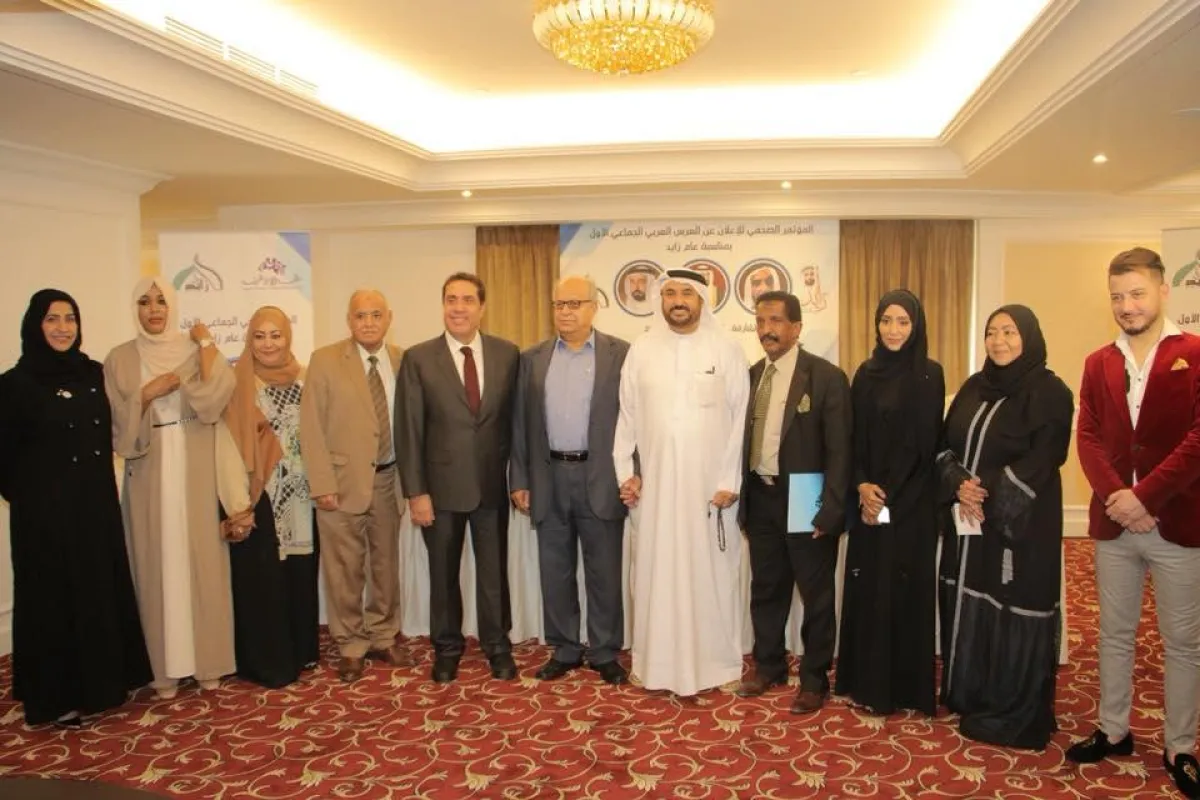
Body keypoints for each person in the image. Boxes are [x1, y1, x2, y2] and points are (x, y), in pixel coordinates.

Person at [1068, 247, 1200, 798]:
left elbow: (1198, 438)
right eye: (1117, 296)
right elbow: (1088, 436)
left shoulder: (1195, 353)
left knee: (1183, 642)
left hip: (1179, 523)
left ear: (1164, 292)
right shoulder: (1098, 361)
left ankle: (1181, 746)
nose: (1127, 305)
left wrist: (1144, 497)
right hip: (1115, 525)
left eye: (1137, 293)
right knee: (1115, 634)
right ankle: (1114, 729)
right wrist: (1117, 497)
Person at [0, 289, 151, 727]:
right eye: (52, 319)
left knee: (96, 593)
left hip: (95, 506)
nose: (63, 328)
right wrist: (34, 499)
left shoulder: (92, 373)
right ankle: (55, 698)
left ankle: (104, 685)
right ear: (35, 325)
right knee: (53, 603)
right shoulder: (15, 384)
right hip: (45, 518)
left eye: (70, 318)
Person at [937, 304, 1073, 750]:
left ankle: (1013, 708)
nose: (999, 341)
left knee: (1011, 604)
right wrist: (958, 483)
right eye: (992, 332)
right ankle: (970, 692)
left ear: (1028, 337)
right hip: (969, 520)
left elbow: (1045, 457)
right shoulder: (975, 387)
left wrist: (987, 494)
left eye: (1010, 332)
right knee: (971, 595)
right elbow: (944, 444)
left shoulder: (1050, 392)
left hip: (1021, 525)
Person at [613, 268, 749, 697]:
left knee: (713, 576)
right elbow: (626, 419)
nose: (677, 300)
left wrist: (729, 480)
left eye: (686, 293)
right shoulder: (642, 350)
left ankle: (721, 665)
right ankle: (652, 663)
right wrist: (626, 475)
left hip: (711, 493)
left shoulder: (726, 350)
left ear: (702, 300)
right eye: (669, 292)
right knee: (654, 574)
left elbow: (740, 422)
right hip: (655, 492)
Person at [103, 278, 237, 700]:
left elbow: (217, 395)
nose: (154, 309)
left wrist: (206, 342)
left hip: (194, 459)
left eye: (161, 301)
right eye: (144, 301)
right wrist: (145, 394)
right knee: (154, 561)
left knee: (201, 559)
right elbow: (113, 424)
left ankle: (208, 662)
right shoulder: (119, 358)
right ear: (135, 309)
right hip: (148, 466)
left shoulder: (193, 349)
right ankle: (163, 670)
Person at [395, 272, 520, 683]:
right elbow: (408, 430)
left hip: (491, 488)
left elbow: (516, 424)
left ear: (482, 307)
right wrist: (416, 492)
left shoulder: (507, 354)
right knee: (443, 576)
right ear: (443, 305)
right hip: (440, 490)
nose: (459, 307)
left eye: (467, 300)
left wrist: (520, 479)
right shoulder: (418, 358)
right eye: (451, 299)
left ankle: (497, 646)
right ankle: (447, 649)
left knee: (493, 575)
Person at [735, 290, 851, 713]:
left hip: (806, 498)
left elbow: (840, 450)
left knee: (816, 595)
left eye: (776, 321)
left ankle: (815, 679)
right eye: (761, 321)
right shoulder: (751, 376)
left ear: (796, 327)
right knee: (766, 588)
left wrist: (831, 509)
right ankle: (768, 665)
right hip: (761, 496)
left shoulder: (825, 377)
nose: (767, 329)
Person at [511, 275, 630, 685]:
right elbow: (520, 424)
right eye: (559, 304)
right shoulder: (532, 358)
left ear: (594, 307)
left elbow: (636, 420)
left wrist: (633, 473)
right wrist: (520, 479)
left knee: (604, 572)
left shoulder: (621, 355)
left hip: (601, 477)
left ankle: (605, 650)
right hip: (549, 478)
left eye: (575, 303)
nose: (565, 312)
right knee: (555, 570)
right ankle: (564, 648)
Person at [835, 290, 944, 716]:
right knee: (870, 590)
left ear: (916, 326)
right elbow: (854, 436)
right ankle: (866, 684)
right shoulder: (865, 373)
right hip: (870, 501)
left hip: (910, 505)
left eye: (902, 322)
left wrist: (883, 499)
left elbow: (922, 445)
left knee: (901, 593)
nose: (893, 330)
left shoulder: (929, 374)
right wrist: (862, 486)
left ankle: (903, 690)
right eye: (886, 321)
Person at [299, 289, 410, 683]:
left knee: (385, 566)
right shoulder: (325, 360)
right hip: (341, 483)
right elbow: (310, 426)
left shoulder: (402, 360)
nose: (368, 322)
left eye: (376, 314)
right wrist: (322, 483)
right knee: (344, 569)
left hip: (389, 479)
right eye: (360, 315)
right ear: (349, 320)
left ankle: (382, 635)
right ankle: (350, 644)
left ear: (388, 317)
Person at [216, 306, 320, 689]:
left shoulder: (307, 377)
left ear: (287, 337)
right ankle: (269, 658)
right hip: (260, 489)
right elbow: (228, 441)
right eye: (259, 336)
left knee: (300, 570)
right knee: (264, 576)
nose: (268, 344)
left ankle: (302, 650)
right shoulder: (237, 381)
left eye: (276, 335)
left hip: (303, 490)